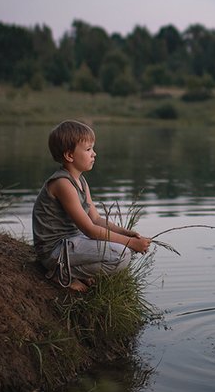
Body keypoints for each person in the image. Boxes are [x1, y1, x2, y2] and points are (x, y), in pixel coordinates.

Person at [32, 119, 151, 292]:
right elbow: (90, 230)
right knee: (122, 255)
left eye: (92, 149)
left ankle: (74, 270)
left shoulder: (80, 180)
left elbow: (95, 219)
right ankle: (60, 273)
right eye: (88, 150)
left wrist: (126, 233)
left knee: (124, 250)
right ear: (69, 155)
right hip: (55, 250)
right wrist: (130, 243)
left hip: (71, 242)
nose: (94, 154)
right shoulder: (62, 183)